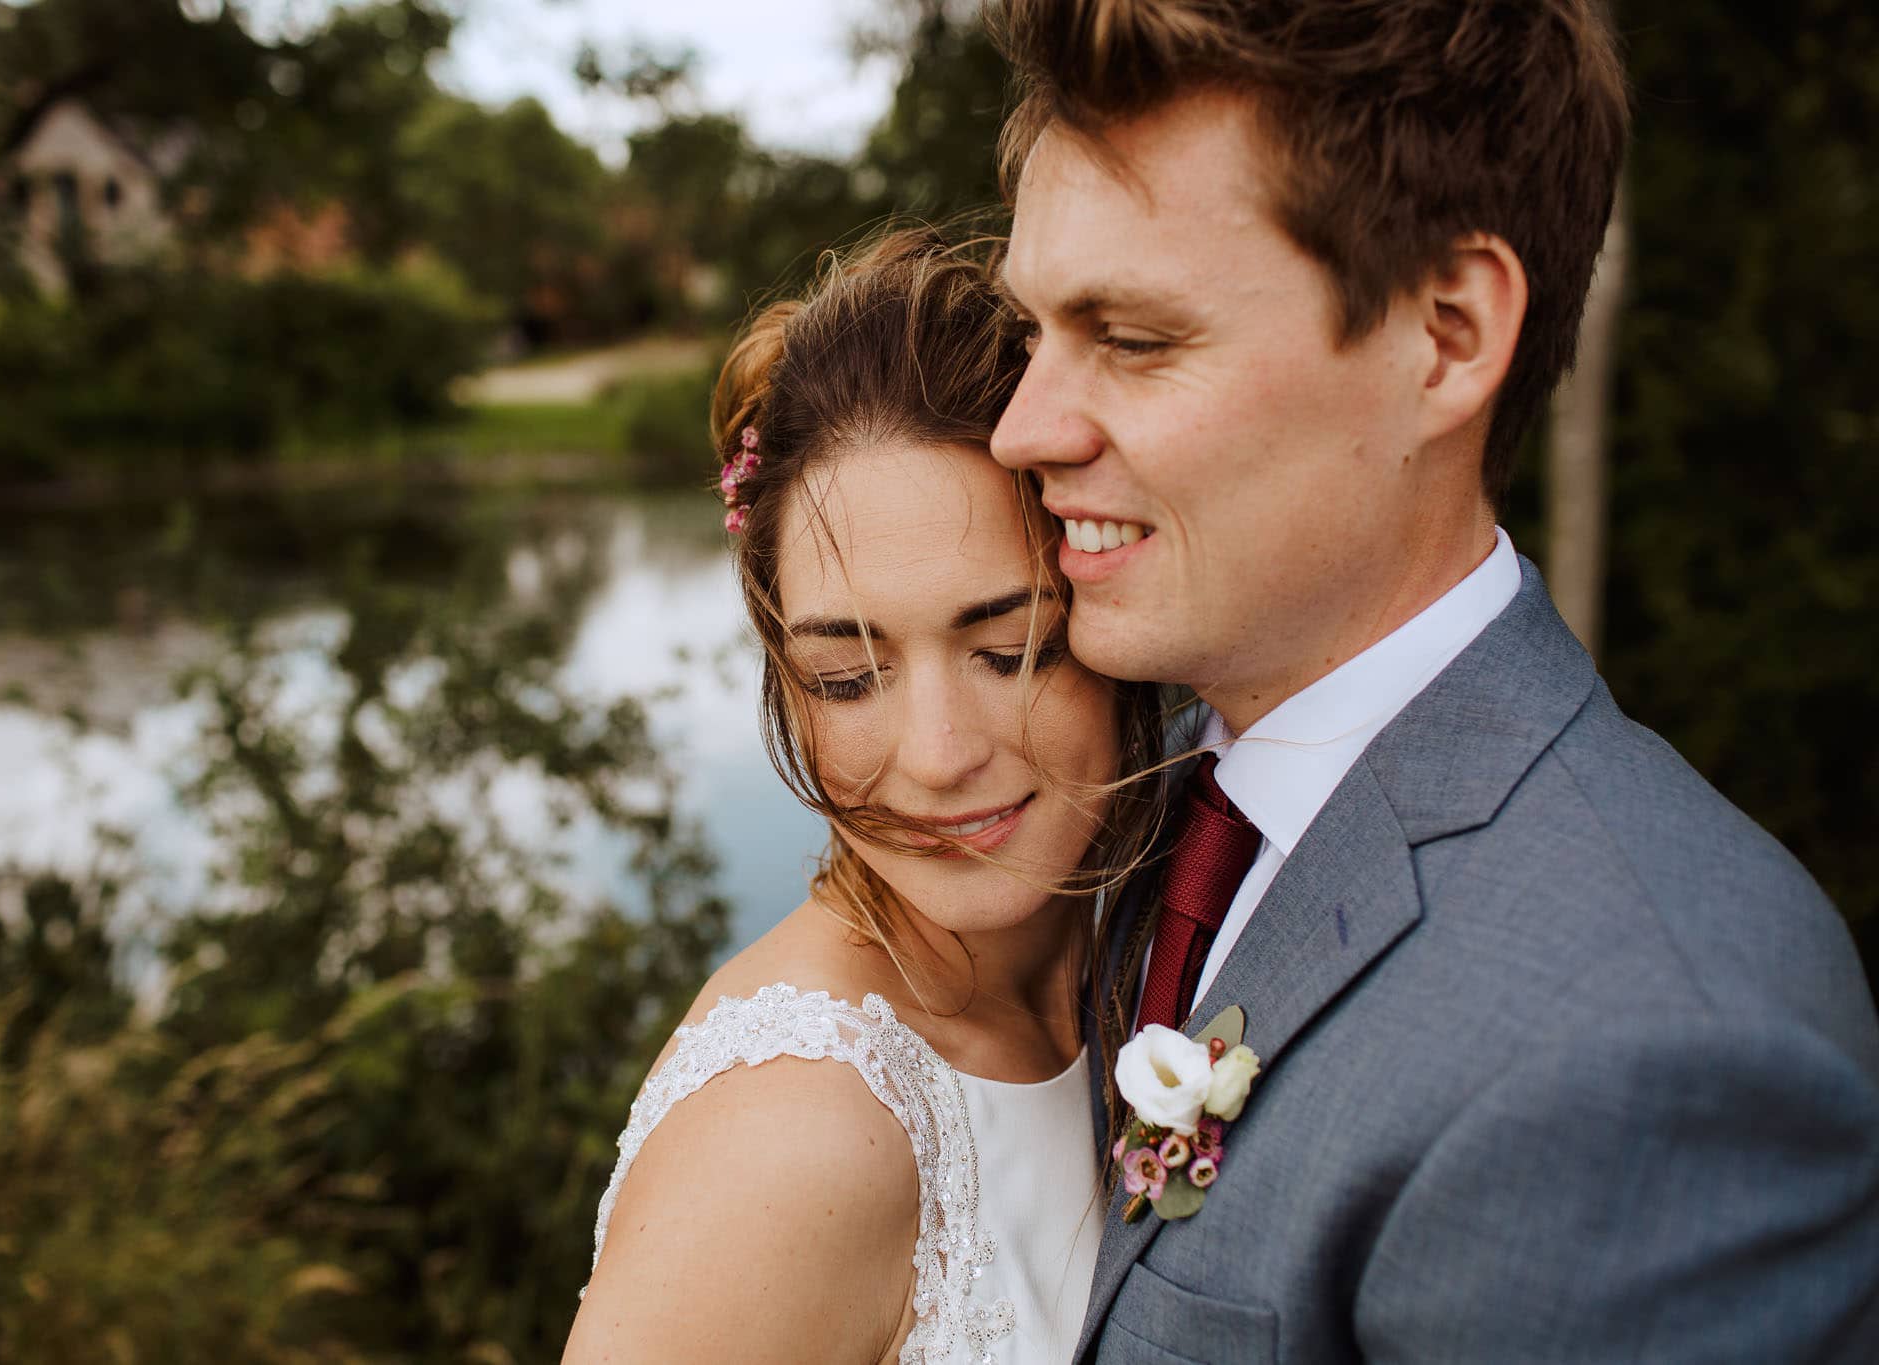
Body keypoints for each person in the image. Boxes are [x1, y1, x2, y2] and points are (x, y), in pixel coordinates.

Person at [987, 2, 1879, 1361]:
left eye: (1136, 337)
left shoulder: (1650, 1048)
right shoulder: (1123, 801)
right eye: (1034, 332)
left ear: (1446, 339)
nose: (1022, 427)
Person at [563, 228, 1170, 1365]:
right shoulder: (796, 1135)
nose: (936, 755)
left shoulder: (1158, 946)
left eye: (1010, 649)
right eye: (847, 678)